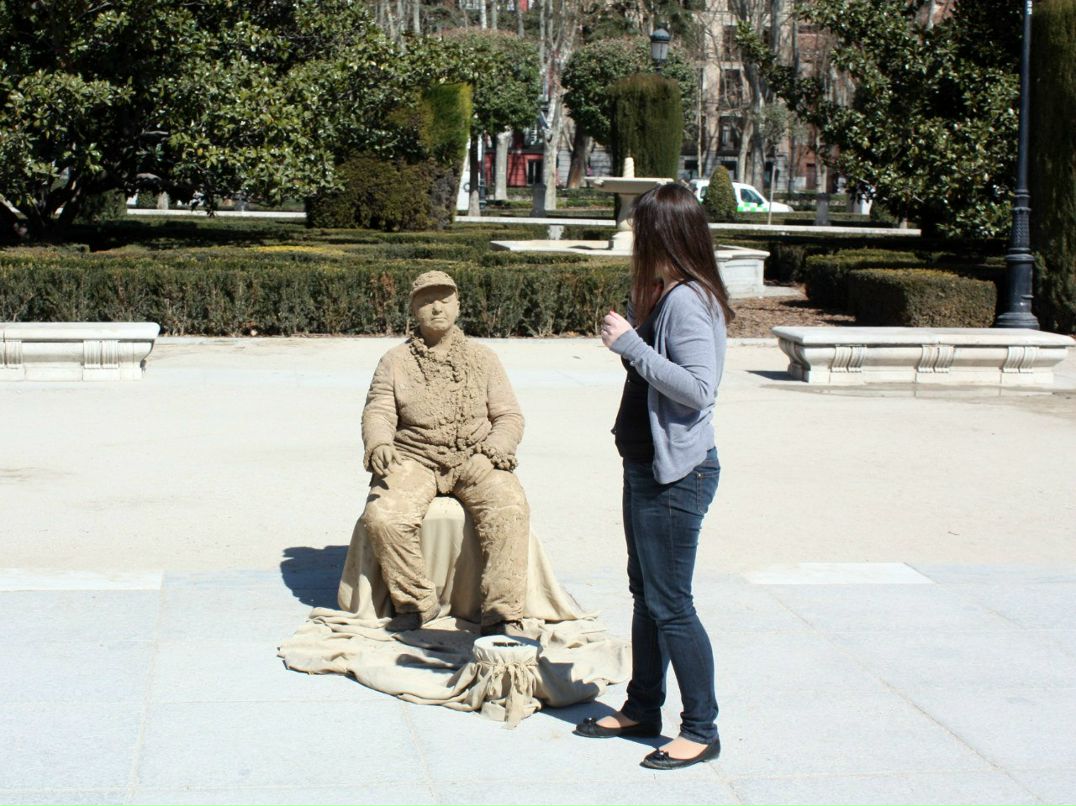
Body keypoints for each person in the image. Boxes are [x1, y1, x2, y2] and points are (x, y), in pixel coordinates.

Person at [573, 182, 732, 770]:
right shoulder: (667, 292)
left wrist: (631, 346)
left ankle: (702, 729)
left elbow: (699, 389)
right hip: (646, 467)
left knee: (671, 604)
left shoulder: (689, 300)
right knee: (647, 596)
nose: (635, 239)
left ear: (666, 235)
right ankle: (643, 707)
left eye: (642, 230)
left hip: (676, 476)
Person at [360, 270, 529, 636]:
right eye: (426, 301)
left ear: (458, 306)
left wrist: (492, 452)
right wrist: (379, 443)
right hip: (414, 457)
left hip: (475, 457)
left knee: (510, 510)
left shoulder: (483, 358)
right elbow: (379, 411)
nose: (436, 308)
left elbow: (509, 416)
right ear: (413, 310)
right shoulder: (394, 361)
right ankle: (416, 602)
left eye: (444, 300)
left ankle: (502, 613)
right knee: (383, 517)